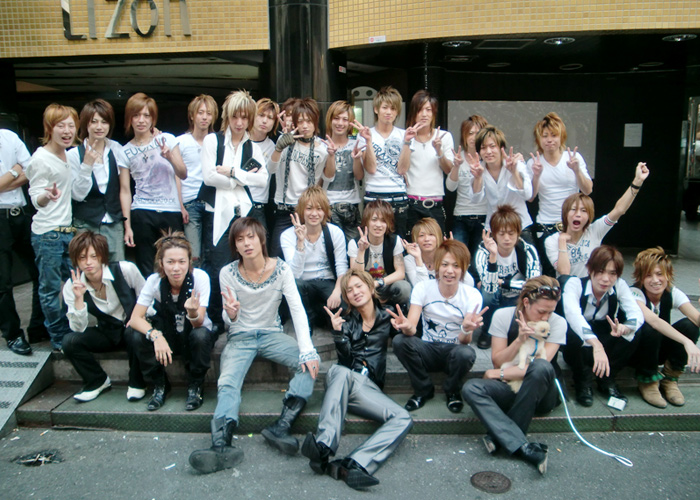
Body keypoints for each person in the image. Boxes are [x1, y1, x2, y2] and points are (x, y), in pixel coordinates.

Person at [189, 217, 319, 474]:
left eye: (251, 237)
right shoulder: (227, 273)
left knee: (310, 364)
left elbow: (297, 309)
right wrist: (232, 314)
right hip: (240, 336)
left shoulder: (281, 269)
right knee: (228, 381)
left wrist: (307, 350)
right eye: (240, 239)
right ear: (234, 245)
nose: (246, 243)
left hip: (271, 333)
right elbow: (229, 317)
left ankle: (281, 426)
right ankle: (221, 444)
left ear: (261, 240)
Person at [301, 269, 412, 490]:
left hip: (368, 389)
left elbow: (409, 337)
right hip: (342, 381)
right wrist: (338, 335)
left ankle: (354, 464)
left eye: (359, 286)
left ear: (370, 288)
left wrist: (408, 329)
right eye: (350, 290)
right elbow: (345, 362)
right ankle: (323, 446)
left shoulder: (388, 315)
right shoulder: (346, 321)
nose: (355, 292)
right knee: (341, 371)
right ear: (347, 298)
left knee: (403, 418)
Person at [462, 276, 566, 475]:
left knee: (541, 366)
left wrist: (498, 373)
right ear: (526, 302)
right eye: (541, 311)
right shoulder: (503, 316)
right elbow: (497, 360)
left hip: (541, 391)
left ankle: (499, 437)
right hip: (511, 385)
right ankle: (523, 447)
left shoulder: (558, 323)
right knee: (471, 387)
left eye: (550, 312)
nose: (546, 318)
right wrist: (519, 340)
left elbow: (536, 367)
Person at [199, 90, 268, 330]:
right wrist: (241, 180)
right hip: (216, 213)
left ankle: (243, 317)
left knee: (245, 265)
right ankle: (218, 320)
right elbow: (209, 177)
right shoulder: (213, 141)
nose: (239, 123)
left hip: (243, 214)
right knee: (218, 268)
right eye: (235, 117)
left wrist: (231, 173)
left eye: (244, 117)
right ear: (227, 116)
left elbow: (263, 180)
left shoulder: (251, 146)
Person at [390, 240, 485, 412]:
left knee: (466, 353)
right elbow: (412, 328)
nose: (449, 271)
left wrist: (466, 328)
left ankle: (452, 391)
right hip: (428, 348)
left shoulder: (472, 295)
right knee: (400, 341)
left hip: (454, 350)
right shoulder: (423, 288)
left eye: (456, 266)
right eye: (445, 264)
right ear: (436, 266)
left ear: (463, 269)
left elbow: (465, 341)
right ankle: (423, 390)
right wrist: (405, 325)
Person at [128, 231, 216, 411]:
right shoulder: (154, 281)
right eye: (170, 262)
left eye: (182, 262)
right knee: (135, 334)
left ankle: (196, 385)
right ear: (161, 263)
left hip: (192, 332)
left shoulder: (200, 278)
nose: (176, 268)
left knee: (200, 336)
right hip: (167, 330)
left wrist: (192, 312)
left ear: (189, 262)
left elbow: (199, 323)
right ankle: (160, 384)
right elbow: (135, 318)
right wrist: (156, 336)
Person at [61, 231, 145, 402]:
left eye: (94, 256)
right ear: (75, 260)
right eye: (82, 257)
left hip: (133, 328)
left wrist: (138, 319)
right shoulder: (72, 285)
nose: (88, 262)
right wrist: (79, 299)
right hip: (107, 332)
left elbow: (147, 298)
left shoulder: (125, 269)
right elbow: (78, 328)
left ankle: (137, 382)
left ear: (102, 256)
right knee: (69, 341)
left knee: (133, 332)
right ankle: (97, 381)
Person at [561, 245, 644, 406]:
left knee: (634, 332)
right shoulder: (575, 284)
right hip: (579, 344)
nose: (606, 279)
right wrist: (596, 345)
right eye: (600, 271)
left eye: (612, 273)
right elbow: (573, 315)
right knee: (572, 331)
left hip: (604, 335)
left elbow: (636, 313)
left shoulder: (619, 285)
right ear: (589, 269)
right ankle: (582, 380)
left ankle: (607, 377)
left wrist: (625, 327)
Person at [27, 103, 80, 350]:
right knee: (50, 290)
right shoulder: (40, 159)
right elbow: (35, 198)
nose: (67, 131)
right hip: (47, 234)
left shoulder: (68, 154)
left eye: (71, 125)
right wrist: (46, 196)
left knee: (74, 283)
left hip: (68, 231)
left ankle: (71, 330)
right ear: (50, 128)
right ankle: (58, 338)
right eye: (61, 126)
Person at [121, 92, 187, 276]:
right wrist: (127, 226)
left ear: (153, 119)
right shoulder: (124, 151)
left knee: (175, 263)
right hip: (142, 211)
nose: (141, 120)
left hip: (170, 210)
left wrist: (169, 156)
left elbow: (183, 173)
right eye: (136, 115)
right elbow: (125, 190)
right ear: (129, 118)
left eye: (146, 115)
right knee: (145, 265)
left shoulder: (167, 139)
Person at [545, 162, 649, 278]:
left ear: (589, 216)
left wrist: (637, 182)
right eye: (573, 209)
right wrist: (562, 242)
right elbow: (564, 272)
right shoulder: (552, 240)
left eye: (584, 211)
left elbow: (619, 210)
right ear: (565, 214)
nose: (578, 214)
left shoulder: (594, 230)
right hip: (568, 286)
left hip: (592, 285)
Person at [628, 247, 700, 407]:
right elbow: (654, 321)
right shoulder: (633, 293)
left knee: (691, 326)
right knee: (651, 327)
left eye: (659, 274)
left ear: (668, 274)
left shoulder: (672, 292)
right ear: (640, 278)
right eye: (648, 275)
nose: (655, 280)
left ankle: (670, 379)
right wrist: (686, 342)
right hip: (637, 352)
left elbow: (696, 319)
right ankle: (647, 381)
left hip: (659, 350)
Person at [527, 112, 593, 276]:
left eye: (554, 135)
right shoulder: (533, 163)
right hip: (546, 226)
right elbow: (531, 197)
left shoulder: (573, 158)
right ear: (539, 140)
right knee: (549, 275)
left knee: (575, 271)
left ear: (561, 137)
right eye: (545, 136)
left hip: (573, 224)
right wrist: (536, 175)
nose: (549, 140)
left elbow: (588, 190)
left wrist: (576, 170)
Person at [0, 128, 47, 355]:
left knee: (41, 270)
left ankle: (38, 327)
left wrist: (4, 182)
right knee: (2, 282)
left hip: (21, 214)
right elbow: (22, 169)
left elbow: (30, 170)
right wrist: (14, 170)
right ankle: (12, 335)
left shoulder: (9, 136)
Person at [69, 99, 130, 263]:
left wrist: (127, 225)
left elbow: (124, 189)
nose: (99, 127)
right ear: (85, 124)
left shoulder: (116, 149)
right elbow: (77, 195)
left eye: (104, 122)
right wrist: (86, 166)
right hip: (85, 222)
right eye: (94, 121)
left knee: (117, 267)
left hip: (113, 220)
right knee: (87, 266)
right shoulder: (73, 154)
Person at [280, 186, 348, 333]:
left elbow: (341, 266)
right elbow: (294, 275)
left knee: (344, 307)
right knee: (296, 285)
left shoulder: (335, 232)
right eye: (309, 208)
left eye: (319, 209)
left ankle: (319, 314)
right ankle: (308, 320)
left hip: (327, 282)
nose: (314, 214)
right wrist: (300, 243)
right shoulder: (287, 235)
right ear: (302, 211)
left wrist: (337, 291)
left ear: (325, 212)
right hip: (303, 284)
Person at [473, 205, 541, 349]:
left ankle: (518, 330)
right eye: (502, 234)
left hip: (518, 299)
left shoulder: (528, 250)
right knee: (487, 290)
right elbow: (489, 286)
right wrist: (493, 257)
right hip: (495, 298)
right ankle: (487, 331)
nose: (507, 239)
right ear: (494, 234)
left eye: (511, 233)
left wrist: (503, 282)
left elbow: (533, 285)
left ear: (518, 232)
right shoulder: (483, 251)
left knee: (532, 295)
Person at [269, 98, 331, 257]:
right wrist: (279, 148)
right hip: (284, 210)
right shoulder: (285, 141)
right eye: (301, 121)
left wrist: (331, 156)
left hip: (307, 211)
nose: (304, 126)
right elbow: (271, 169)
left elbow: (326, 180)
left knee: (306, 255)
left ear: (315, 122)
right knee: (276, 256)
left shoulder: (322, 149)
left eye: (309, 121)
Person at [398, 90, 454, 233]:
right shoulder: (404, 136)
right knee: (411, 243)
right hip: (411, 203)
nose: (424, 114)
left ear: (434, 112)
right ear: (413, 113)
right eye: (420, 110)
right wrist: (407, 142)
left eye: (428, 110)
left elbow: (449, 170)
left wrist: (439, 151)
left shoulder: (444, 136)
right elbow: (401, 169)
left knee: (436, 244)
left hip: (435, 204)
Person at [468, 125, 534, 242]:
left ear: (501, 148)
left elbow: (528, 195)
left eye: (492, 146)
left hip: (520, 225)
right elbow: (475, 200)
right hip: (494, 227)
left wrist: (514, 172)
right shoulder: (478, 169)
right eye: (483, 148)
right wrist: (478, 178)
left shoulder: (516, 164)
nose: (488, 151)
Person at [177, 94, 218, 265]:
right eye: (200, 112)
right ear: (192, 115)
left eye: (209, 113)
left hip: (213, 201)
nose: (204, 117)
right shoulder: (181, 142)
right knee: (193, 254)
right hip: (190, 202)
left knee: (212, 253)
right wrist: (180, 206)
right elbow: (176, 176)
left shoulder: (217, 141)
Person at [363, 86, 408, 238]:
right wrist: (368, 141)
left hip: (398, 196)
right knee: (373, 241)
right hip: (374, 195)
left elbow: (402, 169)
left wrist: (407, 142)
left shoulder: (404, 135)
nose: (389, 112)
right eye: (385, 107)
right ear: (376, 109)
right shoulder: (366, 134)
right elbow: (371, 169)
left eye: (393, 109)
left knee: (399, 243)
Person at [347, 200, 411, 306]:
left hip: (385, 284)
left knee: (404, 288)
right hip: (363, 288)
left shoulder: (394, 240)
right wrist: (361, 251)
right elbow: (355, 276)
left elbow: (400, 273)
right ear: (367, 221)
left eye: (383, 221)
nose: (378, 225)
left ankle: (395, 311)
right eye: (374, 220)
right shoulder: (354, 243)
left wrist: (378, 283)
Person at [321, 100, 365, 242]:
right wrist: (331, 155)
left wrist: (357, 159)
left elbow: (359, 176)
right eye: (336, 118)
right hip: (329, 204)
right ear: (330, 120)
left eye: (345, 119)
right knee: (332, 247)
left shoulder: (356, 144)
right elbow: (328, 176)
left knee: (353, 247)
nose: (340, 123)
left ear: (350, 123)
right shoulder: (322, 146)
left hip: (352, 205)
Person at [447, 115, 489, 259]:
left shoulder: (488, 159)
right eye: (470, 133)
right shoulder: (459, 158)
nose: (473, 137)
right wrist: (456, 166)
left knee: (479, 260)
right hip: (461, 216)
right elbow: (450, 187)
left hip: (484, 215)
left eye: (477, 133)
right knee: (458, 257)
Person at [402, 217, 475, 286]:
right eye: (421, 235)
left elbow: (469, 283)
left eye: (431, 234)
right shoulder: (409, 260)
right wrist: (418, 259)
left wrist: (453, 252)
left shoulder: (446, 257)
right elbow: (421, 288)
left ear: (438, 237)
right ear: (415, 239)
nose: (426, 239)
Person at [248, 97, 280, 232]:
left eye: (270, 118)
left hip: (259, 205)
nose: (264, 121)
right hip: (236, 201)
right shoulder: (240, 140)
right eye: (261, 115)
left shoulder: (273, 146)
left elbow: (272, 170)